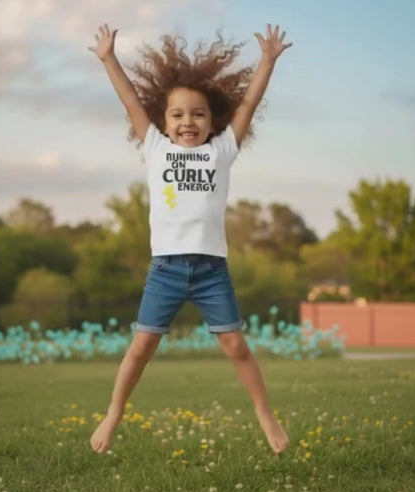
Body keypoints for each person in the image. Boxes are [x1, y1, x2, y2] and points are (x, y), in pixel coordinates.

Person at [88, 23, 292, 454]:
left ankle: (264, 412)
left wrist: (268, 61)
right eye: (177, 114)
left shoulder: (222, 149)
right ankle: (114, 412)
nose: (187, 122)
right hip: (165, 269)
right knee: (141, 347)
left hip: (211, 270)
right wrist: (109, 59)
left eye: (198, 114)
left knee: (236, 344)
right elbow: (129, 101)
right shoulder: (156, 148)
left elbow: (250, 102)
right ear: (163, 119)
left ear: (212, 119)